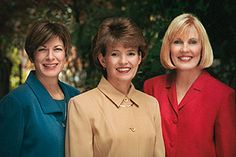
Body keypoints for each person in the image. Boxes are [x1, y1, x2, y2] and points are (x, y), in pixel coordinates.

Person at [65, 17, 165, 157]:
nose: (123, 61)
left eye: (130, 53)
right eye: (115, 54)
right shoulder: (81, 106)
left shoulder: (151, 104)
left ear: (139, 58)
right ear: (102, 59)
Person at [144, 13, 236, 157]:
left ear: (202, 48)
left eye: (193, 42)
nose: (184, 49)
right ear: (169, 47)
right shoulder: (151, 88)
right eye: (177, 42)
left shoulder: (223, 96)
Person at [0, 20, 80, 157]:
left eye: (57, 49)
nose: (50, 57)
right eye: (42, 49)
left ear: (65, 55)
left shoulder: (76, 97)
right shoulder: (16, 102)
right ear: (32, 56)